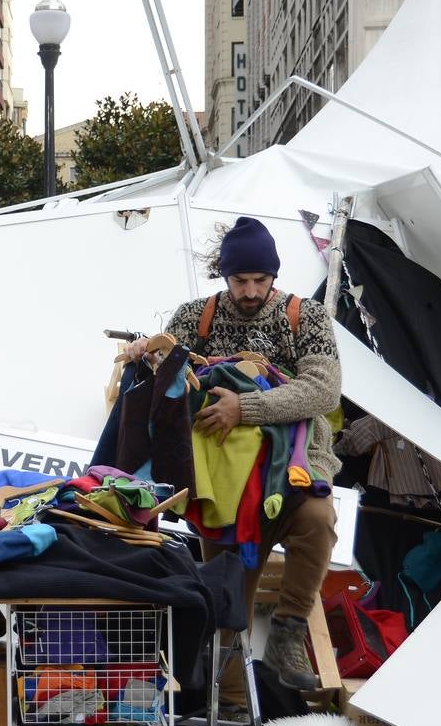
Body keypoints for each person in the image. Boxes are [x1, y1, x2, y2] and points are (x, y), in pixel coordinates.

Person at [125, 216, 342, 694]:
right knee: (228, 599)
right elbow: (169, 374)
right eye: (239, 280)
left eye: (259, 281)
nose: (248, 291)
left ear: (274, 277)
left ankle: (288, 633)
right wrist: (148, 352)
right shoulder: (194, 316)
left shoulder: (305, 317)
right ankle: (228, 709)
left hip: (295, 467)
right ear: (223, 276)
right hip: (223, 474)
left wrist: (245, 407)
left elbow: (325, 390)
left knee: (318, 520)